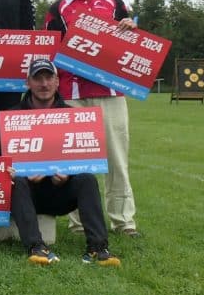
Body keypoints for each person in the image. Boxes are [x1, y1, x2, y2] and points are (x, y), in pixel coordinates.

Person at [45, 0, 140, 237]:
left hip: (110, 91)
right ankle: (77, 222)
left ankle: (123, 221)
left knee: (117, 160)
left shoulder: (115, 4)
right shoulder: (59, 7)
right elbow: (50, 49)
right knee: (75, 161)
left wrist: (130, 29)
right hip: (72, 92)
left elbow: (132, 47)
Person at [7, 58, 121, 267]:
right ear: (28, 83)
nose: (44, 84)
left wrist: (68, 175)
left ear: (57, 82)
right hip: (26, 196)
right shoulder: (12, 116)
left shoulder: (73, 115)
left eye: (49, 78)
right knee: (17, 182)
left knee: (87, 178)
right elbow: (2, 163)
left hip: (61, 193)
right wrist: (16, 173)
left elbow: (85, 160)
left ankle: (98, 248)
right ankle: (36, 247)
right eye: (38, 78)